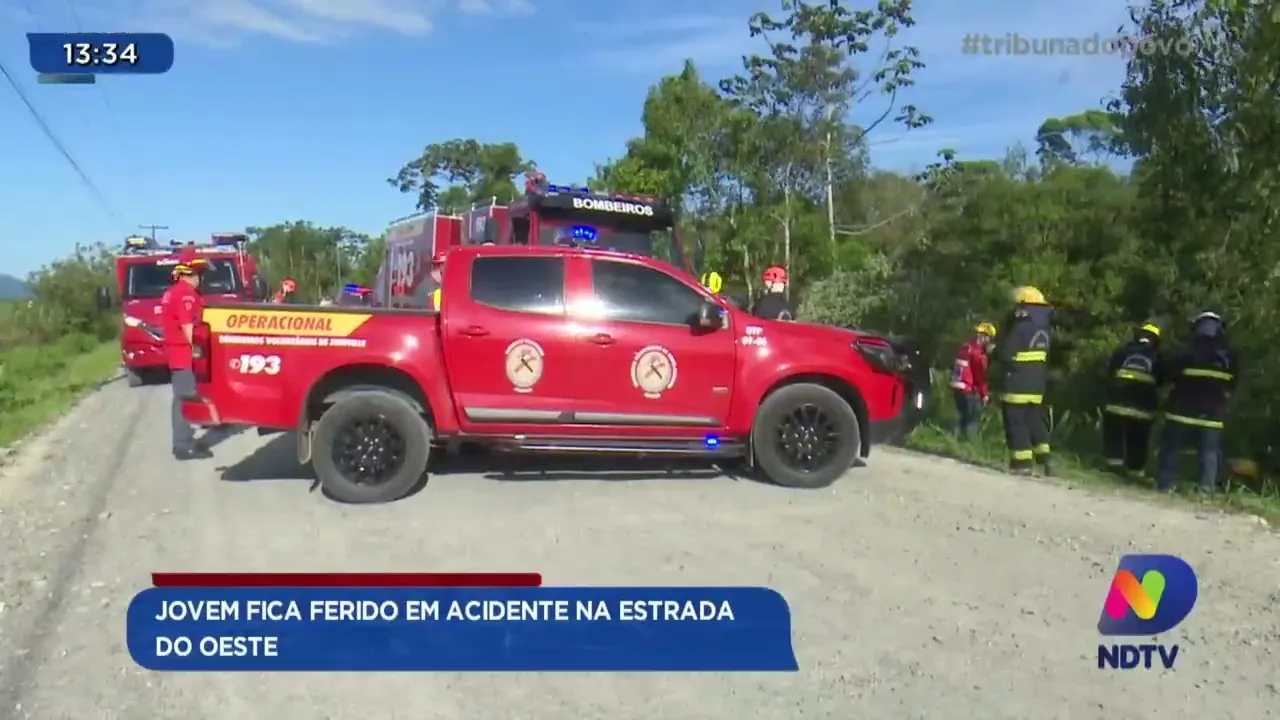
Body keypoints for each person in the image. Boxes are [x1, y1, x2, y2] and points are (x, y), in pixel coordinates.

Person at [1155, 308, 1238, 493]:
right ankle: (1206, 490)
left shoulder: (1187, 350)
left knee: (1171, 449)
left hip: (1181, 410)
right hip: (1212, 414)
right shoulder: (1228, 355)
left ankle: (1165, 486)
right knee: (1209, 453)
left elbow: (1169, 374)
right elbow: (1233, 383)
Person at [997, 286, 1053, 475]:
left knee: (1016, 422)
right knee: (1034, 421)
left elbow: (1006, 354)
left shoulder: (1021, 327)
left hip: (1017, 383)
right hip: (1037, 385)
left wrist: (992, 350)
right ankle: (1045, 459)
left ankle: (1022, 464)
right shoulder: (1045, 329)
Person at [160, 261, 212, 460]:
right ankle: (183, 446)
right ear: (187, 274)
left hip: (177, 352)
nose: (200, 278)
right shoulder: (185, 294)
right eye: (198, 274)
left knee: (182, 396)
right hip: (185, 352)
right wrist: (202, 349)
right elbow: (188, 327)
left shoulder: (173, 292)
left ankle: (184, 441)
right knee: (185, 397)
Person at [1101, 320, 1165, 475]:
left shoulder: (1122, 352)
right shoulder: (1158, 358)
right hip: (1142, 408)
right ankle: (1135, 472)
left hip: (1116, 404)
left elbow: (1111, 372)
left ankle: (1113, 467)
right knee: (1138, 440)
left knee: (1113, 436)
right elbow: (1161, 381)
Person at [949, 322, 997, 440]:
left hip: (956, 387)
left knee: (962, 416)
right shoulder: (979, 354)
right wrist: (984, 394)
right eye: (990, 339)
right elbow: (981, 377)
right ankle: (969, 442)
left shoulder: (965, 347)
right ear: (986, 337)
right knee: (973, 418)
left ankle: (954, 439)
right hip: (968, 389)